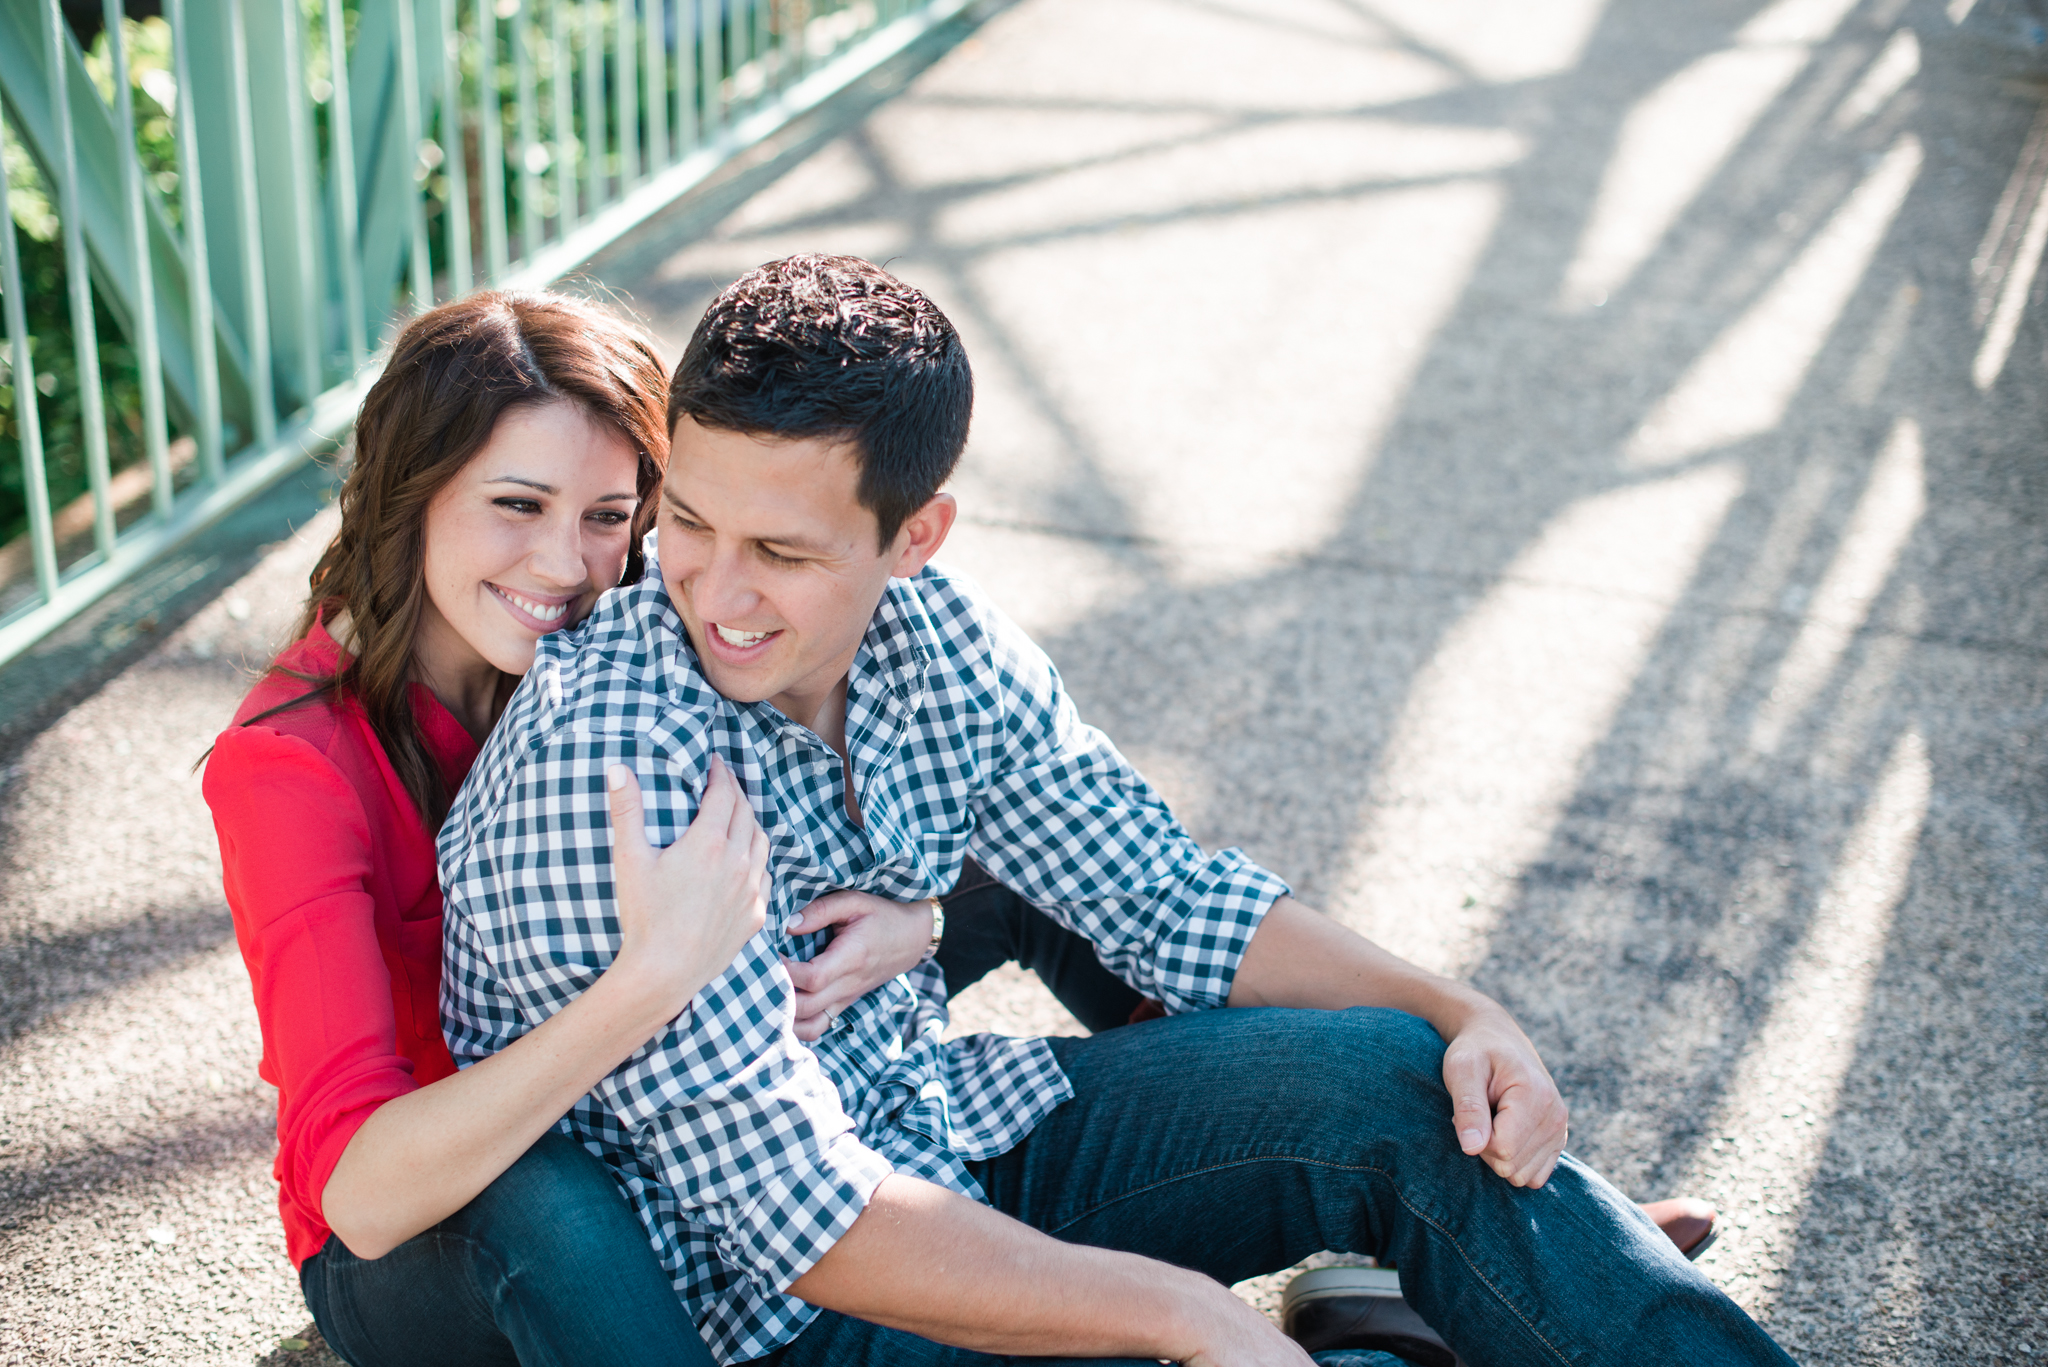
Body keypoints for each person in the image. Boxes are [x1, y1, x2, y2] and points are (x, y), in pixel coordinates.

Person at [438, 255, 1791, 1367]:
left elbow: (1162, 893)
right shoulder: (606, 755)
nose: (716, 593)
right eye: (690, 523)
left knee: (1391, 1078)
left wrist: (1464, 1012)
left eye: (785, 551)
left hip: (945, 1130)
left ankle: (1555, 1306)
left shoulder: (933, 637)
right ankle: (1478, 1308)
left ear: (916, 537)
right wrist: (1182, 1307)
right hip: (793, 1309)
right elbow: (807, 1217)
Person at [201, 291, 777, 1367]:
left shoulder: (623, 641)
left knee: (992, 871)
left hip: (631, 1109)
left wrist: (915, 918)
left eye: (608, 517)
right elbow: (362, 1193)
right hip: (436, 1222)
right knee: (546, 1199)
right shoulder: (288, 768)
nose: (564, 567)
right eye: (517, 503)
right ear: (410, 494)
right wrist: (648, 982)